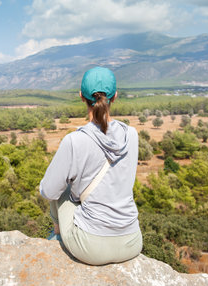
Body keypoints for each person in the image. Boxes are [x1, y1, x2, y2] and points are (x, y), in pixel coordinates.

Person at [39, 66, 142, 266]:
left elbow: (48, 192)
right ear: (115, 96)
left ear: (81, 96)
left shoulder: (74, 141)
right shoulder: (132, 135)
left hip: (91, 248)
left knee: (59, 186)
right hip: (132, 241)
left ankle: (57, 236)